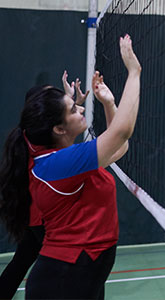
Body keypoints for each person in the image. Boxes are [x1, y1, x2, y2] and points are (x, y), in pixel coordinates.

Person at [0, 34, 140, 299]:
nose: (81, 109)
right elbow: (121, 133)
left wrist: (109, 103)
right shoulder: (58, 164)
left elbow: (119, 148)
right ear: (58, 128)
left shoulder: (67, 157)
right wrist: (133, 73)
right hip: (64, 278)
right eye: (74, 109)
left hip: (86, 271)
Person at [0, 70, 87, 299]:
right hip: (43, 217)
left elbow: (61, 129)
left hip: (35, 213)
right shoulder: (39, 140)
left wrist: (73, 103)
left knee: (21, 261)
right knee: (68, 271)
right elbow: (62, 133)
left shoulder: (28, 135)